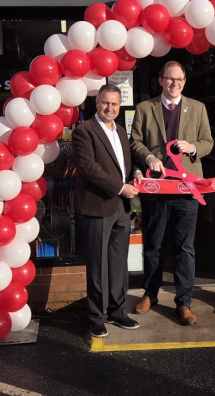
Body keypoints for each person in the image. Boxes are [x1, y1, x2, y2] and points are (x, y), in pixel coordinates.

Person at [129, 61, 213, 326]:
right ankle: (150, 294)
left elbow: (208, 142)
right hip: (155, 187)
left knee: (184, 247)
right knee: (153, 245)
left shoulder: (198, 108)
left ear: (184, 81)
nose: (174, 83)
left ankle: (184, 301)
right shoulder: (145, 108)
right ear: (160, 81)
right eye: (169, 79)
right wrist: (149, 157)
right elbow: (135, 141)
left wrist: (193, 147)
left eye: (179, 79)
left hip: (186, 189)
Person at [71, 84, 141, 338]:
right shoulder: (84, 131)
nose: (109, 108)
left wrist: (135, 174)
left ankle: (117, 311)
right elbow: (89, 168)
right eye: (105, 103)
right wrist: (122, 188)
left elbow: (124, 165)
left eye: (114, 104)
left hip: (121, 208)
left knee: (118, 264)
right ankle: (96, 317)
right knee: (98, 265)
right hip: (98, 207)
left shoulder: (121, 131)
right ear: (96, 103)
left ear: (119, 106)